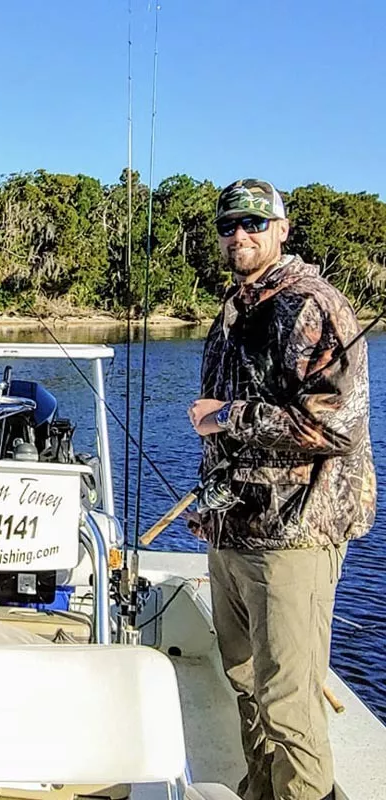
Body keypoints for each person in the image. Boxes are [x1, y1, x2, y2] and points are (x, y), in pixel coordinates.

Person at [187, 178, 374, 800]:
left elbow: (333, 425)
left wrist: (228, 416)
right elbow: (229, 432)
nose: (240, 234)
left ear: (282, 229)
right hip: (234, 528)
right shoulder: (238, 306)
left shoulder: (311, 305)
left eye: (255, 223)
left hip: (291, 536)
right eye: (229, 225)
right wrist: (211, 501)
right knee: (245, 681)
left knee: (289, 702)